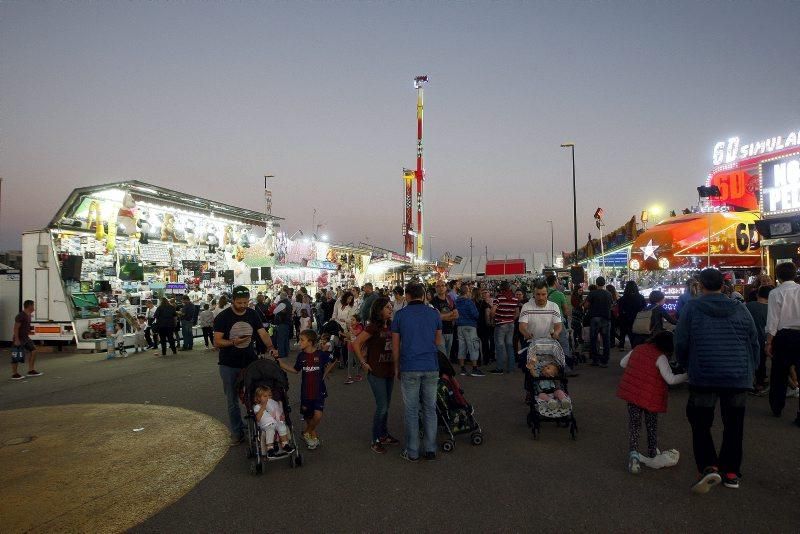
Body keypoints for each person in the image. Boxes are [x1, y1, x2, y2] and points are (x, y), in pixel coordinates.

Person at [675, 268, 759, 493]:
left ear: (700, 285)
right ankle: (731, 472)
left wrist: (685, 364)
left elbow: (681, 341)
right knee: (734, 425)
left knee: (700, 422)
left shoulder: (692, 308)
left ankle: (708, 466)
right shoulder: (740, 308)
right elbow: (753, 341)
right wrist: (751, 368)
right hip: (737, 375)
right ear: (723, 285)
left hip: (704, 374)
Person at [214, 286, 277, 445]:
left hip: (250, 362)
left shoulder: (252, 313)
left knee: (254, 395)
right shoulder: (223, 317)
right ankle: (237, 432)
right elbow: (217, 341)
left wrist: (271, 348)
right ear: (233, 300)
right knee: (232, 400)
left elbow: (262, 333)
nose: (243, 305)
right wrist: (233, 342)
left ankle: (259, 424)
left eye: (246, 302)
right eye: (239, 302)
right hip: (228, 364)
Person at [617, 331, 687, 474]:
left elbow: (622, 363)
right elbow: (671, 379)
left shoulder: (638, 348)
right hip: (650, 398)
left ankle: (634, 456)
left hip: (633, 396)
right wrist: (688, 375)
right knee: (651, 425)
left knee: (635, 426)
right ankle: (652, 452)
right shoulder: (661, 357)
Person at [391, 282, 442, 462]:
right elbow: (437, 341)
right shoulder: (434, 314)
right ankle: (430, 449)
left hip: (409, 366)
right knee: (430, 408)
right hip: (430, 365)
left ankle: (412, 451)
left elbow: (396, 346)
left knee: (411, 410)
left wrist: (396, 366)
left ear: (407, 296)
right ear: (423, 295)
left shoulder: (399, 316)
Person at [352, 296, 399, 453]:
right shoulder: (372, 327)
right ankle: (376, 439)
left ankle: (384, 434)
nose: (390, 308)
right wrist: (363, 362)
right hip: (376, 371)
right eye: (387, 307)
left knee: (387, 405)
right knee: (382, 406)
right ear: (379, 310)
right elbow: (356, 343)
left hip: (389, 370)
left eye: (391, 306)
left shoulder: (392, 325)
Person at [275, 329, 335, 450]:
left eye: (302, 340)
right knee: (308, 417)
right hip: (306, 392)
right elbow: (295, 370)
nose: (299, 342)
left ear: (310, 342)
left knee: (317, 416)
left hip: (319, 391)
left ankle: (306, 433)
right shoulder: (301, 356)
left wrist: (325, 372)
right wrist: (280, 363)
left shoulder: (321, 354)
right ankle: (312, 437)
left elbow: (334, 360)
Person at [766, 261, 800, 426]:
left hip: (784, 336)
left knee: (779, 374)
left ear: (778, 277)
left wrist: (769, 342)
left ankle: (777, 407)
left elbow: (773, 320)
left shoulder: (775, 293)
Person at [745, 285, 772, 395]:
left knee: (749, 360)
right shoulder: (771, 308)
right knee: (761, 362)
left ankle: (749, 383)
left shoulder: (748, 306)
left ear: (757, 294)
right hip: (763, 339)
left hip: (748, 339)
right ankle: (760, 384)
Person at [252, 386, 294, 457]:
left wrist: (281, 415)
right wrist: (263, 407)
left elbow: (277, 412)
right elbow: (258, 418)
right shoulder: (257, 407)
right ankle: (270, 449)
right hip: (265, 425)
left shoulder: (273, 404)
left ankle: (285, 444)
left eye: (269, 396)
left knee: (282, 427)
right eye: (265, 396)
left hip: (275, 422)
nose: (268, 398)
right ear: (259, 398)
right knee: (270, 430)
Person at [519, 281, 562, 346]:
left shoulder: (554, 306)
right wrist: (526, 333)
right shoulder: (526, 306)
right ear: (533, 294)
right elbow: (522, 325)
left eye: (543, 294)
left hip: (549, 342)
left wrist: (556, 333)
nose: (540, 297)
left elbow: (558, 324)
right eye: (538, 294)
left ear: (547, 294)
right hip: (531, 343)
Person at [546, 274, 574, 371]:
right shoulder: (560, 294)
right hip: (558, 323)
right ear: (554, 282)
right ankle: (565, 367)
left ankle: (549, 368)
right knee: (564, 344)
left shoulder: (543, 294)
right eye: (557, 281)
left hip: (545, 323)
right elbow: (566, 311)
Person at [491, 281, 519, 374]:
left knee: (500, 347)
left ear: (501, 288)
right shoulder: (515, 298)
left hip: (500, 324)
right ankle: (511, 368)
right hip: (511, 324)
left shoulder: (499, 297)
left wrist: (493, 318)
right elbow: (517, 313)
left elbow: (493, 311)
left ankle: (499, 368)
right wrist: (511, 319)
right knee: (509, 346)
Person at [585, 276, 614, 367]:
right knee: (606, 340)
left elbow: (586, 305)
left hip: (595, 318)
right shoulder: (608, 294)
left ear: (596, 283)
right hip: (606, 319)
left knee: (593, 340)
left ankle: (595, 360)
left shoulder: (592, 293)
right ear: (604, 283)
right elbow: (611, 305)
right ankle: (605, 361)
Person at [455, 285, 483, 377]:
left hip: (459, 326)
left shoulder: (456, 301)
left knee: (461, 346)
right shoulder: (469, 302)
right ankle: (474, 368)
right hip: (470, 326)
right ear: (467, 292)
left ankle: (462, 368)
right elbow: (475, 314)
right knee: (473, 346)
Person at [11, 300, 41, 379]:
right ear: (29, 306)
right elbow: (16, 328)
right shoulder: (21, 315)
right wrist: (17, 340)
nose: (34, 307)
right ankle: (15, 374)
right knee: (16, 356)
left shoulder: (28, 315)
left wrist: (29, 331)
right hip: (19, 338)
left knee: (34, 351)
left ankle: (31, 370)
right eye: (33, 305)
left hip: (26, 338)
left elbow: (25, 326)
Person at [431, 280, 458, 359]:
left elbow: (456, 315)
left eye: (443, 285)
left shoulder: (450, 300)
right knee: (442, 355)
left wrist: (443, 316)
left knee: (448, 354)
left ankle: (446, 371)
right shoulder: (433, 302)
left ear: (446, 287)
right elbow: (438, 317)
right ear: (435, 288)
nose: (441, 288)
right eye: (438, 286)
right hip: (439, 332)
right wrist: (450, 314)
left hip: (450, 331)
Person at [617, 281, 646, 351]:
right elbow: (644, 308)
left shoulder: (622, 298)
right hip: (637, 318)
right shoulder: (640, 297)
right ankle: (634, 345)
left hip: (624, 317)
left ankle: (621, 345)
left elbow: (620, 309)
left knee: (623, 331)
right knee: (634, 332)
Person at [272, 291, 294, 359]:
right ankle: (286, 352)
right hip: (287, 323)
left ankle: (281, 353)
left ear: (281, 296)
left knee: (281, 339)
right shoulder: (289, 303)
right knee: (286, 339)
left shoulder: (282, 303)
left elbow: (274, 311)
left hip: (282, 323)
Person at [344, 313, 364, 384]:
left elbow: (355, 333)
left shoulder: (359, 327)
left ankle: (358, 374)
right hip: (350, 346)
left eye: (353, 320)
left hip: (357, 347)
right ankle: (349, 377)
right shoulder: (351, 327)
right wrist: (346, 338)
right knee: (350, 361)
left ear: (357, 322)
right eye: (351, 319)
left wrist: (350, 328)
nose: (351, 321)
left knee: (357, 361)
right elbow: (349, 336)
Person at [477, 288, 495, 366]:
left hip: (488, 326)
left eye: (486, 292)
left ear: (489, 294)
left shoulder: (492, 301)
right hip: (483, 326)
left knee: (489, 342)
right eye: (483, 293)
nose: (484, 294)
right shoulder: (481, 303)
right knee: (485, 343)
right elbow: (486, 315)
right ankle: (486, 358)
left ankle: (490, 357)